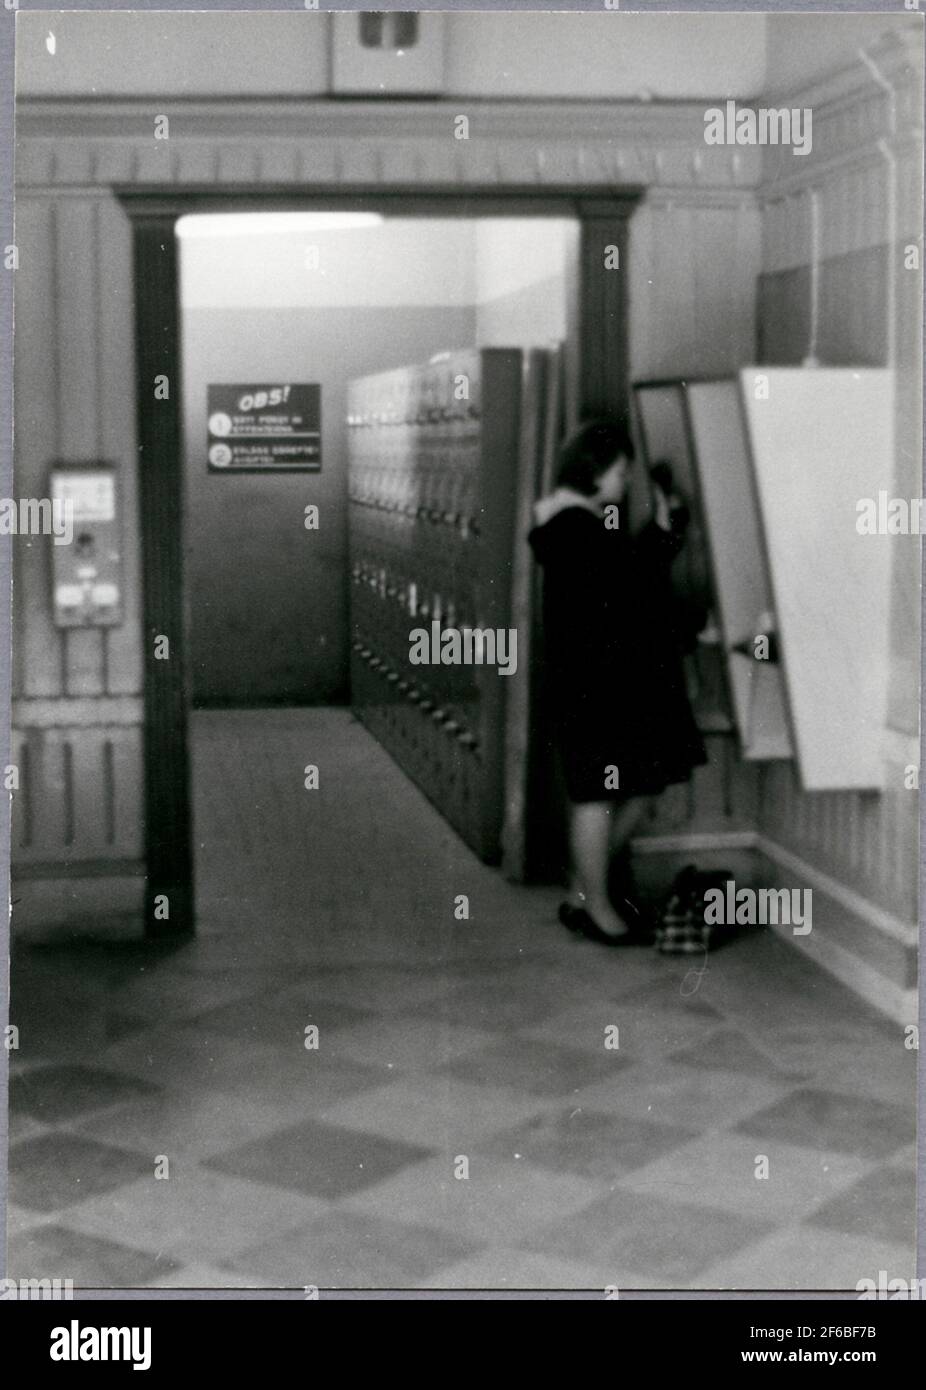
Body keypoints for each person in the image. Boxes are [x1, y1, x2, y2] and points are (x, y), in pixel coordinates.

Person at [528, 418, 707, 945]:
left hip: (596, 685)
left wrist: (663, 532)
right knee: (601, 797)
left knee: (630, 789)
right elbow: (630, 591)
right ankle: (598, 907)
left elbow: (626, 574)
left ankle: (583, 893)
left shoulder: (574, 525)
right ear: (594, 470)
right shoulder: (575, 530)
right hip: (598, 689)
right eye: (621, 471)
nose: (625, 481)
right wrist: (688, 621)